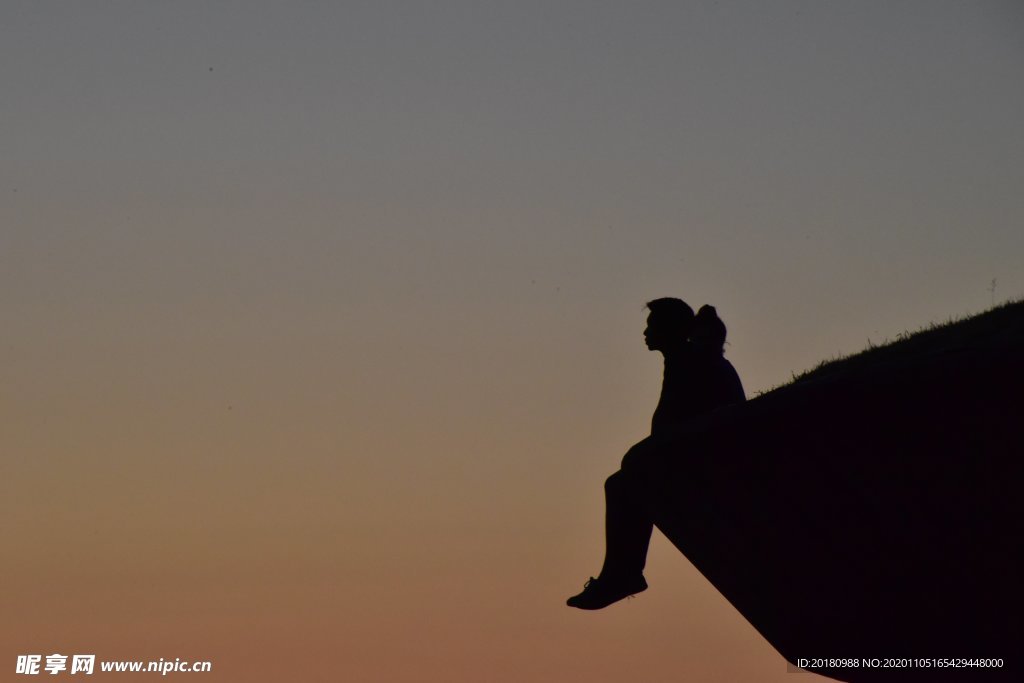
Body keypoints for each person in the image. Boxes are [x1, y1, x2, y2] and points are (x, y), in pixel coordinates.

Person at [566, 299, 745, 610]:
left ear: (671, 329)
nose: (645, 332)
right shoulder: (685, 359)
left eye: (652, 325)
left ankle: (623, 574)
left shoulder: (690, 361)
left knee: (622, 485)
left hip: (713, 464)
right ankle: (621, 573)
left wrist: (640, 457)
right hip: (700, 457)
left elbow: (679, 427)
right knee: (623, 480)